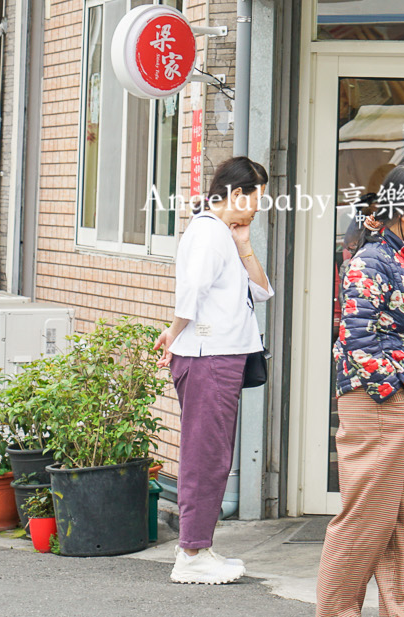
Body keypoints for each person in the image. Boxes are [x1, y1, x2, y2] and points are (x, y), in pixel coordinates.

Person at [317, 166, 404, 617]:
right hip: (377, 401)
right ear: (402, 210)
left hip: (402, 400)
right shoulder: (372, 260)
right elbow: (355, 334)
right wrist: (393, 386)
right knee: (366, 521)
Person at [158, 156, 272, 586]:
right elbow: (191, 292)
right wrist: (173, 334)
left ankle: (199, 545)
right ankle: (190, 553)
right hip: (208, 356)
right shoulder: (207, 233)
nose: (257, 209)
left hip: (219, 356)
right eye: (256, 199)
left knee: (213, 454)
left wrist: (244, 242)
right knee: (206, 456)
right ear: (238, 193)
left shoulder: (222, 234)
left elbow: (261, 291)